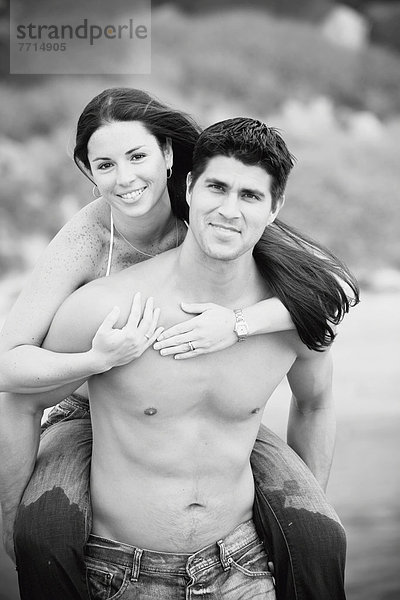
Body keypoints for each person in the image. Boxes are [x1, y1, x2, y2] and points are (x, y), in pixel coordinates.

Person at [0, 91, 357, 599]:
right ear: (89, 172)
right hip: (86, 400)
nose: (125, 179)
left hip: (218, 472)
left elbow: (327, 294)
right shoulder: (89, 241)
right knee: (43, 535)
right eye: (105, 164)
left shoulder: (222, 214)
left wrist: (237, 324)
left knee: (320, 538)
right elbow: (9, 371)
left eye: (137, 156)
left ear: (170, 160)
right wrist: (96, 359)